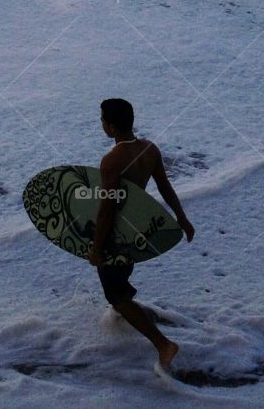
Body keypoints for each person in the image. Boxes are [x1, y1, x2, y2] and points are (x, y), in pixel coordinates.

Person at [87, 97, 195, 370]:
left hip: (116, 235)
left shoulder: (112, 159)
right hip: (138, 230)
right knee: (120, 284)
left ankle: (163, 345)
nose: (101, 124)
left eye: (102, 120)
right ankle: (128, 317)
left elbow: (106, 209)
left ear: (110, 127)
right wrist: (182, 219)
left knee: (116, 297)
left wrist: (97, 247)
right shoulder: (150, 149)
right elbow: (165, 188)